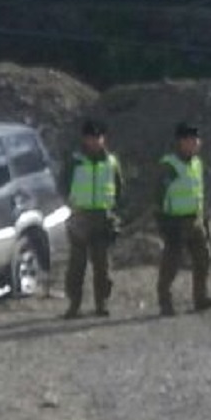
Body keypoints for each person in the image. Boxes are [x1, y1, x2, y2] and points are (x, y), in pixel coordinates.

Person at [156, 121, 211, 317]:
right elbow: (158, 196)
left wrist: (203, 217)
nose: (196, 143)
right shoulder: (169, 165)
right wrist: (163, 221)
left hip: (195, 219)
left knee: (203, 258)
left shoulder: (196, 163)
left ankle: (200, 298)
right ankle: (165, 302)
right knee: (171, 263)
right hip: (175, 221)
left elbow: (197, 191)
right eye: (192, 139)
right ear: (181, 142)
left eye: (197, 139)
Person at [61, 118, 124, 319]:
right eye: (91, 138)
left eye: (98, 137)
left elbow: (119, 187)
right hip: (81, 216)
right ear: (84, 139)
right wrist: (71, 205)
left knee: (102, 265)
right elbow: (63, 184)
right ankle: (74, 304)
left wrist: (114, 210)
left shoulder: (112, 162)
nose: (95, 141)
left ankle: (101, 303)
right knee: (76, 266)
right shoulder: (75, 161)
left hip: (103, 217)